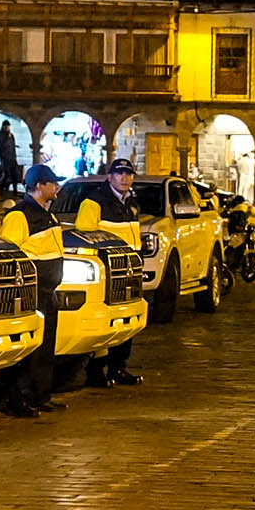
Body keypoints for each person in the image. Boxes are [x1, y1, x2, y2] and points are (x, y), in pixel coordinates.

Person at [70, 158, 148, 387]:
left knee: (126, 321)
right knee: (106, 323)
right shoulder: (94, 202)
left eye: (128, 173)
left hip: (129, 271)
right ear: (109, 176)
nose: (124, 177)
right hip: (108, 273)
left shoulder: (131, 203)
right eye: (119, 173)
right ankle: (96, 371)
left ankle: (117, 368)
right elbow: (85, 237)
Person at [0, 165, 67, 419]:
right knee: (29, 348)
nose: (56, 187)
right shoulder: (20, 216)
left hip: (48, 290)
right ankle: (20, 398)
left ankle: (40, 395)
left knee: (45, 346)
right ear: (39, 186)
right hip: (31, 292)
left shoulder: (47, 213)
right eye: (52, 183)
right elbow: (10, 254)